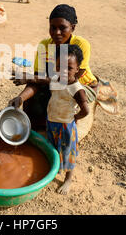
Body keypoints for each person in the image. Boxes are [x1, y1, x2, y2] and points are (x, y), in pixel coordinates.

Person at [10, 45, 89, 195]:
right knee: (52, 146)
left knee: (68, 152)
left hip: (66, 126)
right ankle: (53, 168)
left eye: (69, 68)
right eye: (59, 67)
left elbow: (86, 110)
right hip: (52, 122)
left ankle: (68, 179)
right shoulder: (56, 79)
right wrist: (25, 78)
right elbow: (43, 80)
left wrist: (75, 119)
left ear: (77, 70)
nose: (63, 71)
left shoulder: (76, 89)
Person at [9, 4, 98, 131]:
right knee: (31, 104)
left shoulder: (80, 45)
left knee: (62, 101)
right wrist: (21, 98)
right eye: (53, 28)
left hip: (80, 86)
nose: (57, 33)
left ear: (72, 28)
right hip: (53, 81)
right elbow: (37, 80)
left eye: (62, 28)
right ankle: (35, 128)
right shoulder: (45, 45)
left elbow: (67, 81)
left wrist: (33, 78)